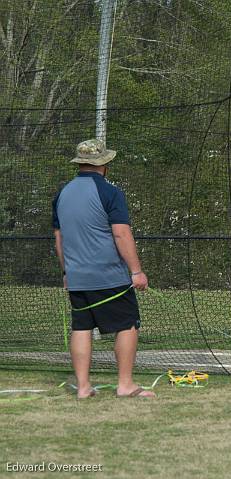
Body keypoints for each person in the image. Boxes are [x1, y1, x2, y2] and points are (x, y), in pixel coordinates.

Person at [52, 139, 155, 398]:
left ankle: (83, 387)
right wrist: (136, 271)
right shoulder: (111, 192)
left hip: (77, 277)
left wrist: (66, 273)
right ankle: (125, 384)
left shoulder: (62, 194)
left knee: (81, 327)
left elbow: (59, 240)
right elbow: (121, 234)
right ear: (104, 164)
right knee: (128, 324)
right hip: (109, 276)